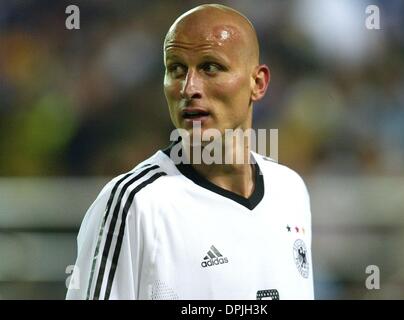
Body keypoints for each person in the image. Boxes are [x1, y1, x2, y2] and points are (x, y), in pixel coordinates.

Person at [66, 4, 314, 300]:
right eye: (176, 69)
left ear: (257, 83)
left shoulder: (290, 190)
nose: (188, 88)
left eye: (210, 67)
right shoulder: (136, 204)